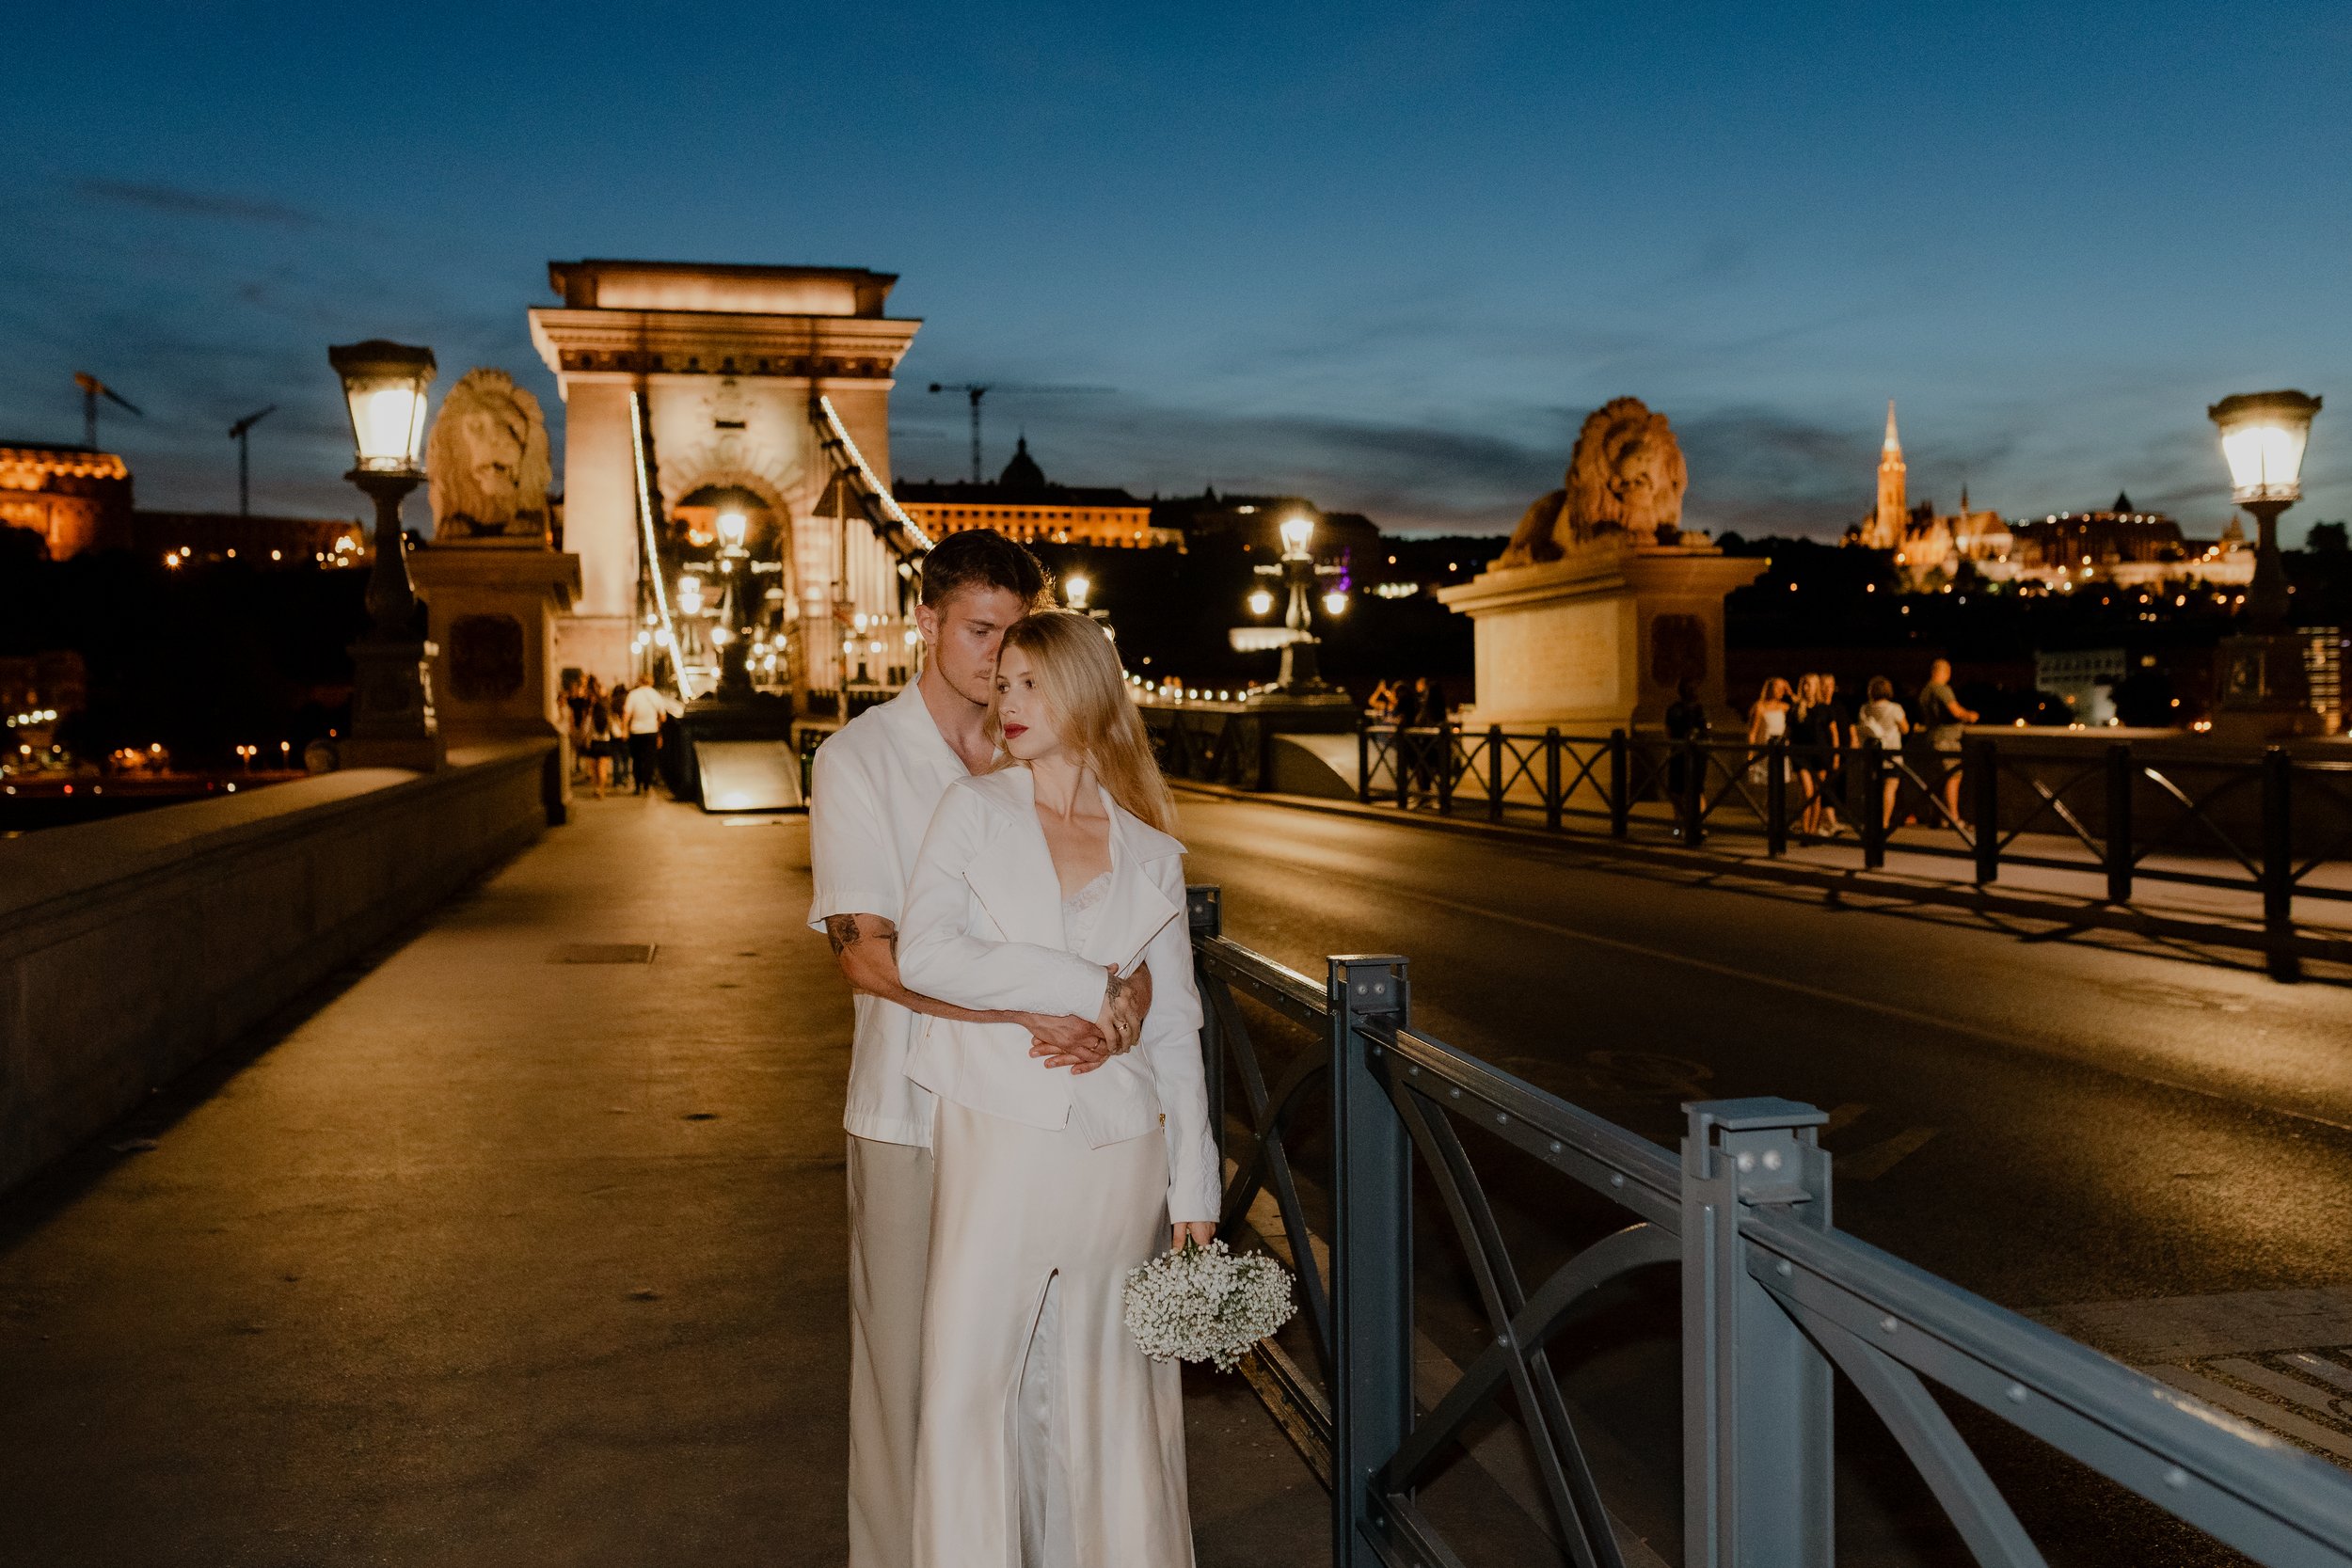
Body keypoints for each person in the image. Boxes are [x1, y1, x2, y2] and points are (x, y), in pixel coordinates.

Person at [806, 532, 1147, 1568]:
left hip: (1043, 1124)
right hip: (914, 1115)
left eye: (1016, 637)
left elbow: (1123, 915)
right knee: (912, 1390)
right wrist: (1027, 1010)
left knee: (1045, 1381)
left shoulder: (1043, 750)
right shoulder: (860, 758)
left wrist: (1125, 1001)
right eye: (980, 631)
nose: (1000, 661)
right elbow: (866, 957)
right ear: (925, 620)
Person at [896, 609, 1217, 1568]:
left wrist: (1195, 1194)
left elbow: (1176, 1032)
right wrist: (1081, 987)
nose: (1009, 699)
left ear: (1087, 690)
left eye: (1031, 680)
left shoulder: (1150, 852)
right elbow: (926, 951)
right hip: (998, 1134)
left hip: (1118, 1154)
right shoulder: (975, 809)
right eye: (1003, 683)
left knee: (1109, 1389)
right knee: (969, 1381)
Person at [1916, 657, 1979, 828]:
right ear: (1945, 672)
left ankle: (1939, 817)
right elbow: (1955, 711)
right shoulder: (1941, 689)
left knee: (1938, 780)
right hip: (1946, 740)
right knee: (1953, 777)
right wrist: (1970, 715)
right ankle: (1953, 817)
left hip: (1932, 739)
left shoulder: (1925, 691)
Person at [1856, 675, 1911, 833]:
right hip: (1891, 754)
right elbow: (1905, 729)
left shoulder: (1865, 708)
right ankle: (1884, 823)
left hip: (1872, 755)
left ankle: (1870, 821)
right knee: (1889, 789)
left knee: (1871, 790)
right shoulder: (1895, 709)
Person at [621, 676, 682, 797]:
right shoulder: (656, 695)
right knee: (650, 758)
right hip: (651, 731)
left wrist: (624, 729)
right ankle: (647, 784)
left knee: (637, 759)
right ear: (651, 682)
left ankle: (638, 785)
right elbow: (663, 717)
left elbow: (626, 714)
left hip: (636, 731)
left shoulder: (633, 695)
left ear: (639, 681)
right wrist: (658, 729)